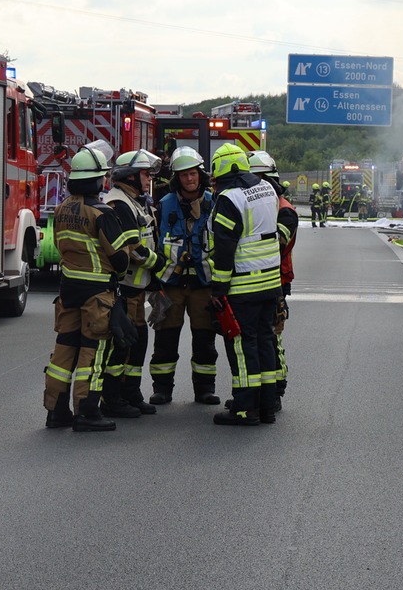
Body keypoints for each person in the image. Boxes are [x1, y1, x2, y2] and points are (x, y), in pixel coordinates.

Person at [42, 143, 135, 432]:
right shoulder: (102, 213)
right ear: (96, 180)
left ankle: (56, 411)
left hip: (68, 290)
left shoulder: (60, 209)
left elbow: (59, 247)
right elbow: (120, 259)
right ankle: (86, 411)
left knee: (63, 351)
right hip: (97, 295)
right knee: (92, 353)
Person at [207, 142, 282, 426]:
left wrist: (218, 289)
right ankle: (266, 405)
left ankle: (244, 408)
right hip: (269, 283)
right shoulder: (267, 189)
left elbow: (224, 248)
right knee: (265, 341)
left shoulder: (229, 198)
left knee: (241, 345)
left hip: (243, 286)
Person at [149, 146, 221, 406]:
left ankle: (204, 389)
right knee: (165, 339)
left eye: (192, 174)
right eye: (183, 175)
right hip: (170, 285)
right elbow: (153, 244)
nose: (189, 179)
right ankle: (162, 389)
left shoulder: (215, 204)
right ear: (176, 179)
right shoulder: (163, 206)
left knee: (204, 339)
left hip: (204, 285)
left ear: (200, 175)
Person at [100, 148, 163, 418]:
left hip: (138, 289)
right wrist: (157, 263)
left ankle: (132, 394)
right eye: (145, 174)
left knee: (137, 342)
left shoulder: (137, 200)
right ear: (130, 176)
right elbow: (133, 250)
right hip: (123, 289)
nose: (149, 179)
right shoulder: (119, 204)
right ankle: (112, 399)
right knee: (121, 344)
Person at [247, 150, 297, 411]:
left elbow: (275, 246)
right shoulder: (266, 205)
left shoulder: (284, 211)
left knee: (271, 338)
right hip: (255, 282)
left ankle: (275, 390)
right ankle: (259, 392)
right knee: (255, 338)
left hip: (274, 282)